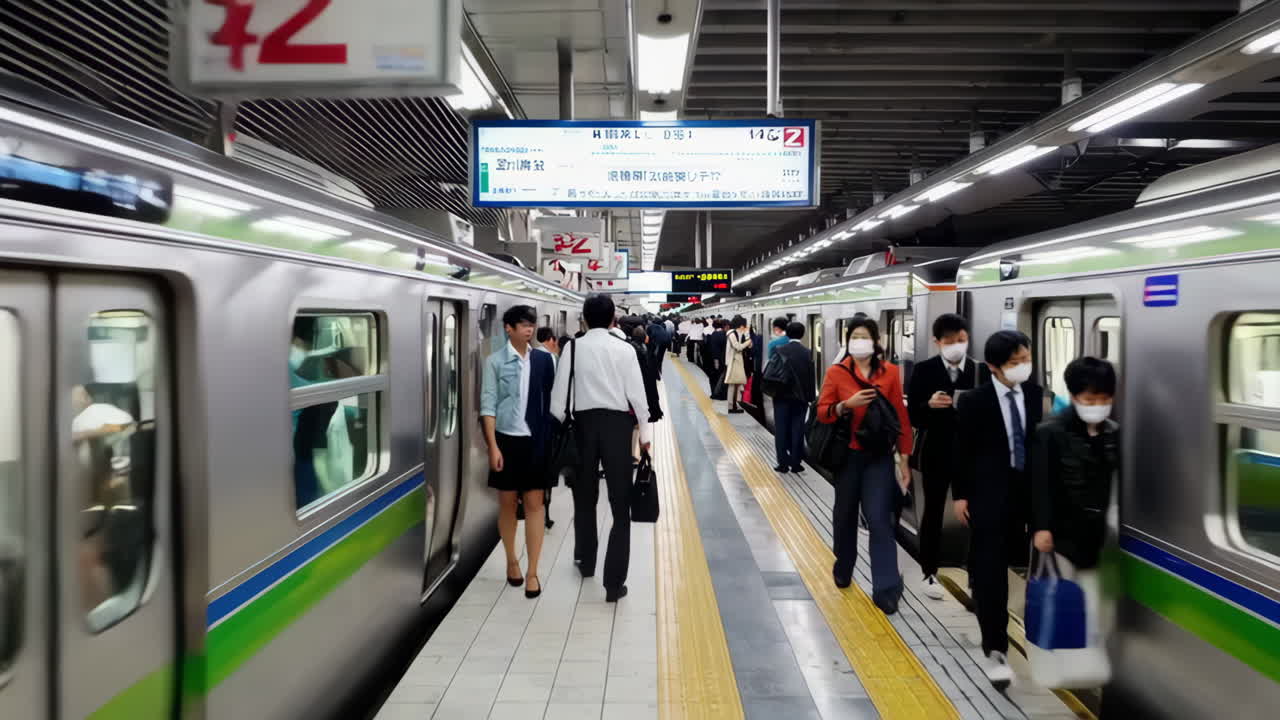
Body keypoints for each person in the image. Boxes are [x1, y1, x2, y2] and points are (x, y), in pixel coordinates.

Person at [953, 329, 1042, 686]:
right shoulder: (974, 402)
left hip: (1029, 496)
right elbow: (962, 452)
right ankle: (996, 648)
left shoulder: (1036, 395)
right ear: (993, 366)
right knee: (992, 576)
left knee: (1025, 567)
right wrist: (961, 495)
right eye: (1015, 362)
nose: (1023, 367)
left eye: (1026, 360)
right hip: (989, 495)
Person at [551, 294, 652, 602]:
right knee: (621, 506)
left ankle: (585, 561)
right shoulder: (625, 349)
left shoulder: (573, 347)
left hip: (582, 426)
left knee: (585, 498)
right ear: (612, 320)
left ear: (583, 318)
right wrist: (644, 435)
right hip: (618, 429)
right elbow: (638, 398)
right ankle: (613, 583)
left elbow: (558, 403)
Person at [817, 316, 913, 614]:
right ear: (848, 341)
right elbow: (822, 413)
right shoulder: (836, 373)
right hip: (847, 456)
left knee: (880, 519)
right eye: (854, 336)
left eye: (865, 336)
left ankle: (885, 586)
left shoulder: (891, 374)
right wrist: (847, 405)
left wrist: (905, 459)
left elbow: (900, 417)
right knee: (844, 516)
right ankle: (844, 563)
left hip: (878, 458)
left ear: (875, 342)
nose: (860, 341)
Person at [1031, 356, 1119, 670]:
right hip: (1061, 534)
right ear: (1073, 396)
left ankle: (1084, 660)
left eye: (1104, 398)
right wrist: (1041, 528)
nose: (1098, 404)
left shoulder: (1113, 433)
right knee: (1064, 599)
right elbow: (1041, 484)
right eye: (1089, 399)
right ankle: (1058, 662)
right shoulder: (1050, 432)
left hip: (1098, 537)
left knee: (1094, 602)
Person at [480, 305, 557, 600]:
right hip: (506, 441)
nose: (530, 329)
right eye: (523, 325)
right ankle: (512, 560)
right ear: (508, 329)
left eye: (532, 324)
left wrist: (549, 437)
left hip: (536, 441)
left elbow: (551, 400)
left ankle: (533, 572)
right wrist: (493, 446)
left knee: (535, 505)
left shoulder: (544, 360)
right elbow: (488, 405)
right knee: (508, 504)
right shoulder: (495, 363)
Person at [906, 313, 978, 601]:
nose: (956, 346)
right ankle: (929, 573)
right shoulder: (923, 370)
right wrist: (929, 404)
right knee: (933, 514)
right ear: (937, 342)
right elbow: (913, 414)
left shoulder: (977, 370)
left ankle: (975, 576)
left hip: (970, 455)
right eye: (949, 342)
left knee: (975, 516)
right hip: (936, 452)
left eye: (961, 340)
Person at [772, 321, 816, 473]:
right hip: (801, 398)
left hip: (781, 397)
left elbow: (772, 373)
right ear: (802, 334)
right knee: (798, 429)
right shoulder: (807, 352)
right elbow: (811, 377)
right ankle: (796, 463)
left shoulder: (779, 349)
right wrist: (811, 397)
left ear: (787, 333)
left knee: (781, 430)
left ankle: (783, 463)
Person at [724, 316, 753, 414]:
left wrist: (747, 336)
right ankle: (731, 406)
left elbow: (750, 346)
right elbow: (738, 347)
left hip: (739, 361)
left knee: (738, 384)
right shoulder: (731, 334)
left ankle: (736, 405)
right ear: (740, 325)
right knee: (733, 384)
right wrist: (748, 341)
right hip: (734, 362)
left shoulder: (739, 333)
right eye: (743, 325)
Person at [704, 319, 727, 385]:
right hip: (723, 356)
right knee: (722, 372)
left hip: (715, 356)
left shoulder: (713, 334)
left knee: (717, 371)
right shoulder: (724, 334)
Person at [647, 315, 670, 380]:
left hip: (658, 341)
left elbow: (648, 338)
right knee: (660, 356)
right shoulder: (662, 326)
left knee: (654, 356)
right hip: (667, 340)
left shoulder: (650, 326)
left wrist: (650, 350)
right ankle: (660, 369)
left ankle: (656, 372)